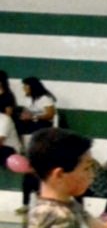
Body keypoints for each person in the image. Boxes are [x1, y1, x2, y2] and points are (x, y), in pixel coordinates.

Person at [16, 77, 59, 213]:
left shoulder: (44, 99)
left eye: (26, 87)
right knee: (29, 171)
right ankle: (26, 202)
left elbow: (50, 114)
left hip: (43, 134)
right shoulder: (28, 100)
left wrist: (34, 117)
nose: (24, 89)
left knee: (39, 170)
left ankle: (43, 199)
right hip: (30, 134)